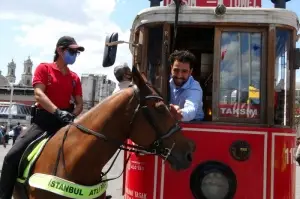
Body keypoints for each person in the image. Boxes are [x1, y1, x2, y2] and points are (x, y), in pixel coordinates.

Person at [0, 36, 84, 199]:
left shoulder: (75, 78)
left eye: (76, 53)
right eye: (72, 51)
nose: (74, 55)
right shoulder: (44, 69)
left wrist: (71, 115)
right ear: (60, 50)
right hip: (43, 124)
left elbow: (80, 103)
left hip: (65, 124)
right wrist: (57, 111)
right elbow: (39, 94)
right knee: (11, 157)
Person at [168, 50, 204, 122]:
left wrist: (179, 114)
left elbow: (191, 110)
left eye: (184, 71)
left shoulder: (195, 88)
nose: (179, 75)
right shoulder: (165, 81)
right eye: (176, 70)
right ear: (171, 68)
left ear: (190, 72)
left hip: (194, 125)